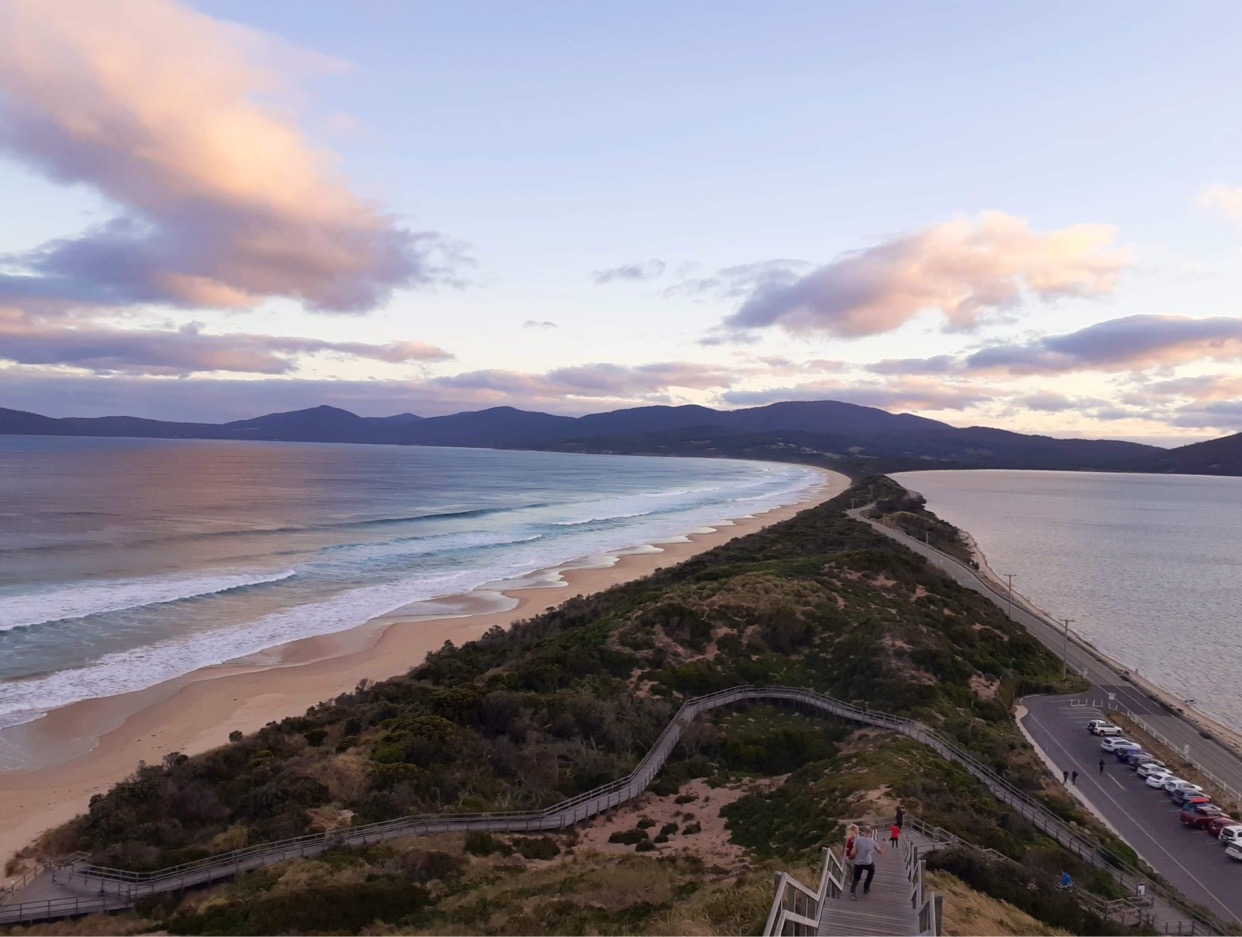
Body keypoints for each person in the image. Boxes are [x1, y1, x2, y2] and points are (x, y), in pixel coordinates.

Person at [849, 826, 884, 900]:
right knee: (872, 870)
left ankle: (852, 892)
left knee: (856, 878)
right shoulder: (872, 842)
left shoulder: (858, 840)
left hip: (858, 862)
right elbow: (881, 852)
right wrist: (885, 844)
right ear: (870, 833)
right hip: (868, 862)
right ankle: (866, 887)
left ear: (863, 832)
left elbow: (853, 852)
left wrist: (850, 856)